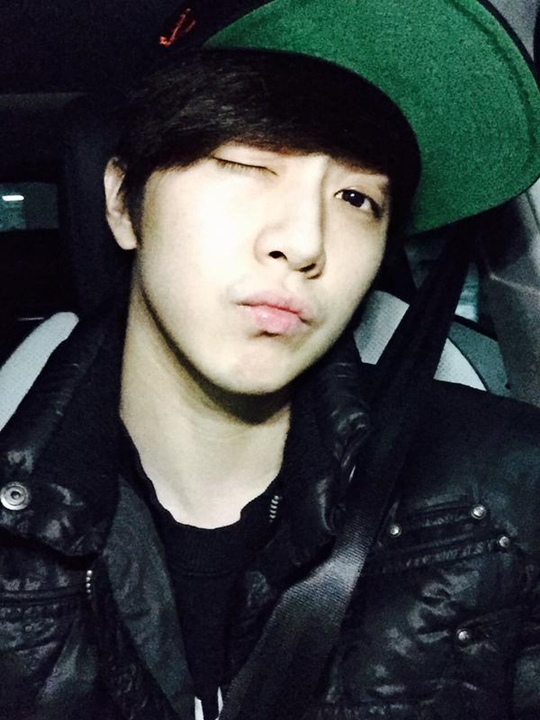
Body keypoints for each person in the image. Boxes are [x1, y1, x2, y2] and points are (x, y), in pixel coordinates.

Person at [2, 1, 540, 719]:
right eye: (246, 164)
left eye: (356, 198)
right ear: (124, 204)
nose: (305, 240)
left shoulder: (509, 495)